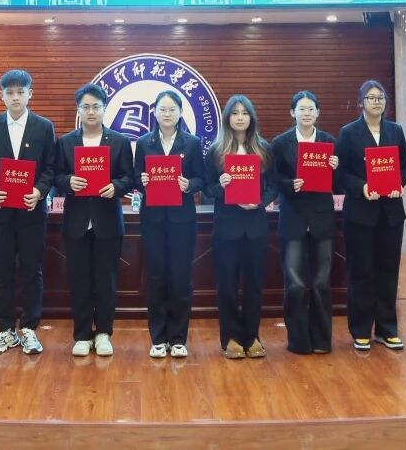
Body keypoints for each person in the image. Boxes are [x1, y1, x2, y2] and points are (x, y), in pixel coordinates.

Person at [0, 69, 56, 356]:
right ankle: (5, 330)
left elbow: (51, 167)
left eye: (20, 92)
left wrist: (40, 191)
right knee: (3, 271)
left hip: (32, 211)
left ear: (30, 94)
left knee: (32, 270)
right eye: (9, 92)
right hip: (0, 212)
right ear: (1, 96)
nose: (15, 97)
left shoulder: (44, 127)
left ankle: (30, 329)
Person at [54, 84, 135, 357]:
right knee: (78, 280)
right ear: (79, 110)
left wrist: (116, 187)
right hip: (76, 221)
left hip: (107, 221)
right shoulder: (66, 142)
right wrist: (68, 181)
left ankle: (103, 333)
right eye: (86, 107)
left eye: (96, 107)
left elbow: (129, 177)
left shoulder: (119, 141)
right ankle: (81, 334)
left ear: (104, 109)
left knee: (106, 280)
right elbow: (55, 176)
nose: (91, 112)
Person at [335, 80, 406, 351]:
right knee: (361, 271)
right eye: (371, 98)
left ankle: (387, 329)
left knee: (388, 271)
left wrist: (399, 183)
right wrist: (362, 187)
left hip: (391, 214)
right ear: (361, 103)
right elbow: (340, 174)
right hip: (360, 214)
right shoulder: (348, 133)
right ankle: (360, 329)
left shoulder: (395, 131)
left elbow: (405, 166)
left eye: (380, 98)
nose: (377, 102)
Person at [131, 89, 205, 359]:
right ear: (154, 112)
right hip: (153, 220)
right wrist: (142, 181)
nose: (167, 114)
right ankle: (158, 338)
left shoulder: (192, 143)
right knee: (156, 277)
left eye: (172, 109)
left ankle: (178, 338)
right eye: (162, 109)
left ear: (180, 112)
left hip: (182, 220)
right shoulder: (143, 142)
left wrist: (189, 185)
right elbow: (135, 178)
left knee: (181, 278)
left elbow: (201, 178)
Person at [204, 94, 275, 359]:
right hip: (226, 226)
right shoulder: (216, 150)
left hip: (255, 226)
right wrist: (221, 186)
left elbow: (274, 187)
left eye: (245, 113)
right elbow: (206, 190)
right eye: (235, 113)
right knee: (227, 285)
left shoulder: (263, 148)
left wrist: (260, 202)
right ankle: (231, 337)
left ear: (251, 118)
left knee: (254, 284)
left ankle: (252, 336)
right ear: (227, 118)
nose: (240, 117)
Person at [270, 91, 340, 355]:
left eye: (311, 109)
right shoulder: (280, 143)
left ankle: (322, 340)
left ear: (318, 112)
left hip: (322, 218)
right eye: (302, 109)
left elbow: (339, 184)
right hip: (293, 218)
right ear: (292, 112)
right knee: (296, 284)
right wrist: (291, 184)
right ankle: (298, 340)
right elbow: (274, 180)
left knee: (321, 282)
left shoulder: (329, 142)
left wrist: (335, 168)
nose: (307, 113)